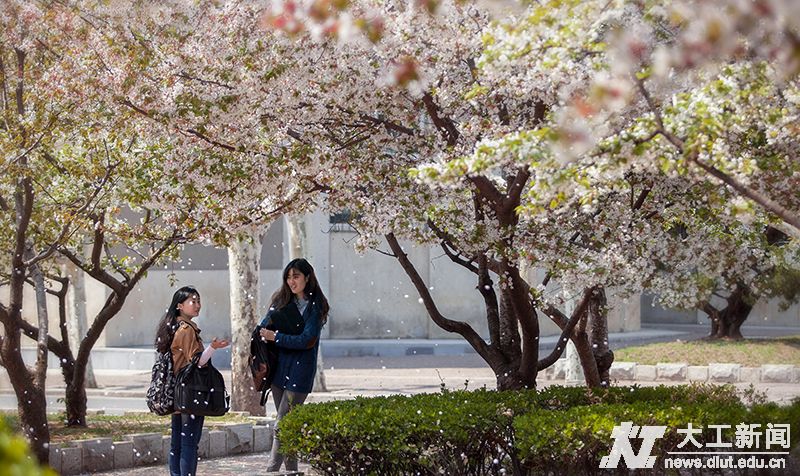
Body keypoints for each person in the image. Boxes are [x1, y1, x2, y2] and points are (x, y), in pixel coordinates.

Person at [259, 258, 329, 472]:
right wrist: (264, 333)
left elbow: (307, 340)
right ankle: (292, 470)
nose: (291, 281)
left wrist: (277, 337)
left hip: (300, 372)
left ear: (307, 278)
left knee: (282, 423)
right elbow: (264, 327)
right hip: (279, 369)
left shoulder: (315, 308)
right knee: (288, 425)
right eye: (288, 277)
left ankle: (271, 469)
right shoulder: (280, 300)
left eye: (296, 276)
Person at [154, 286, 229, 476]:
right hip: (190, 392)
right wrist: (212, 348)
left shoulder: (173, 326)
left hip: (178, 392)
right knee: (189, 443)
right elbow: (199, 362)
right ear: (180, 306)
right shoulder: (186, 329)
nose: (197, 305)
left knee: (177, 442)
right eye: (192, 301)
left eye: (198, 301)